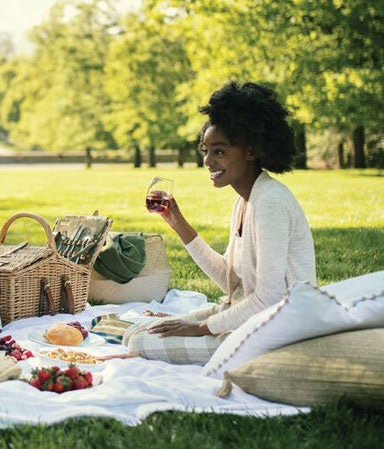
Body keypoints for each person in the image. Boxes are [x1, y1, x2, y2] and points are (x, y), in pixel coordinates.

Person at [124, 81, 316, 364]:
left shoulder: (270, 201)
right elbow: (231, 282)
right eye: (205, 150)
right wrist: (178, 223)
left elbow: (270, 298)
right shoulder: (245, 201)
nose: (208, 161)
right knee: (137, 331)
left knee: (141, 342)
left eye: (219, 151)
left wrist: (201, 328)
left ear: (251, 151)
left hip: (276, 330)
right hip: (247, 315)